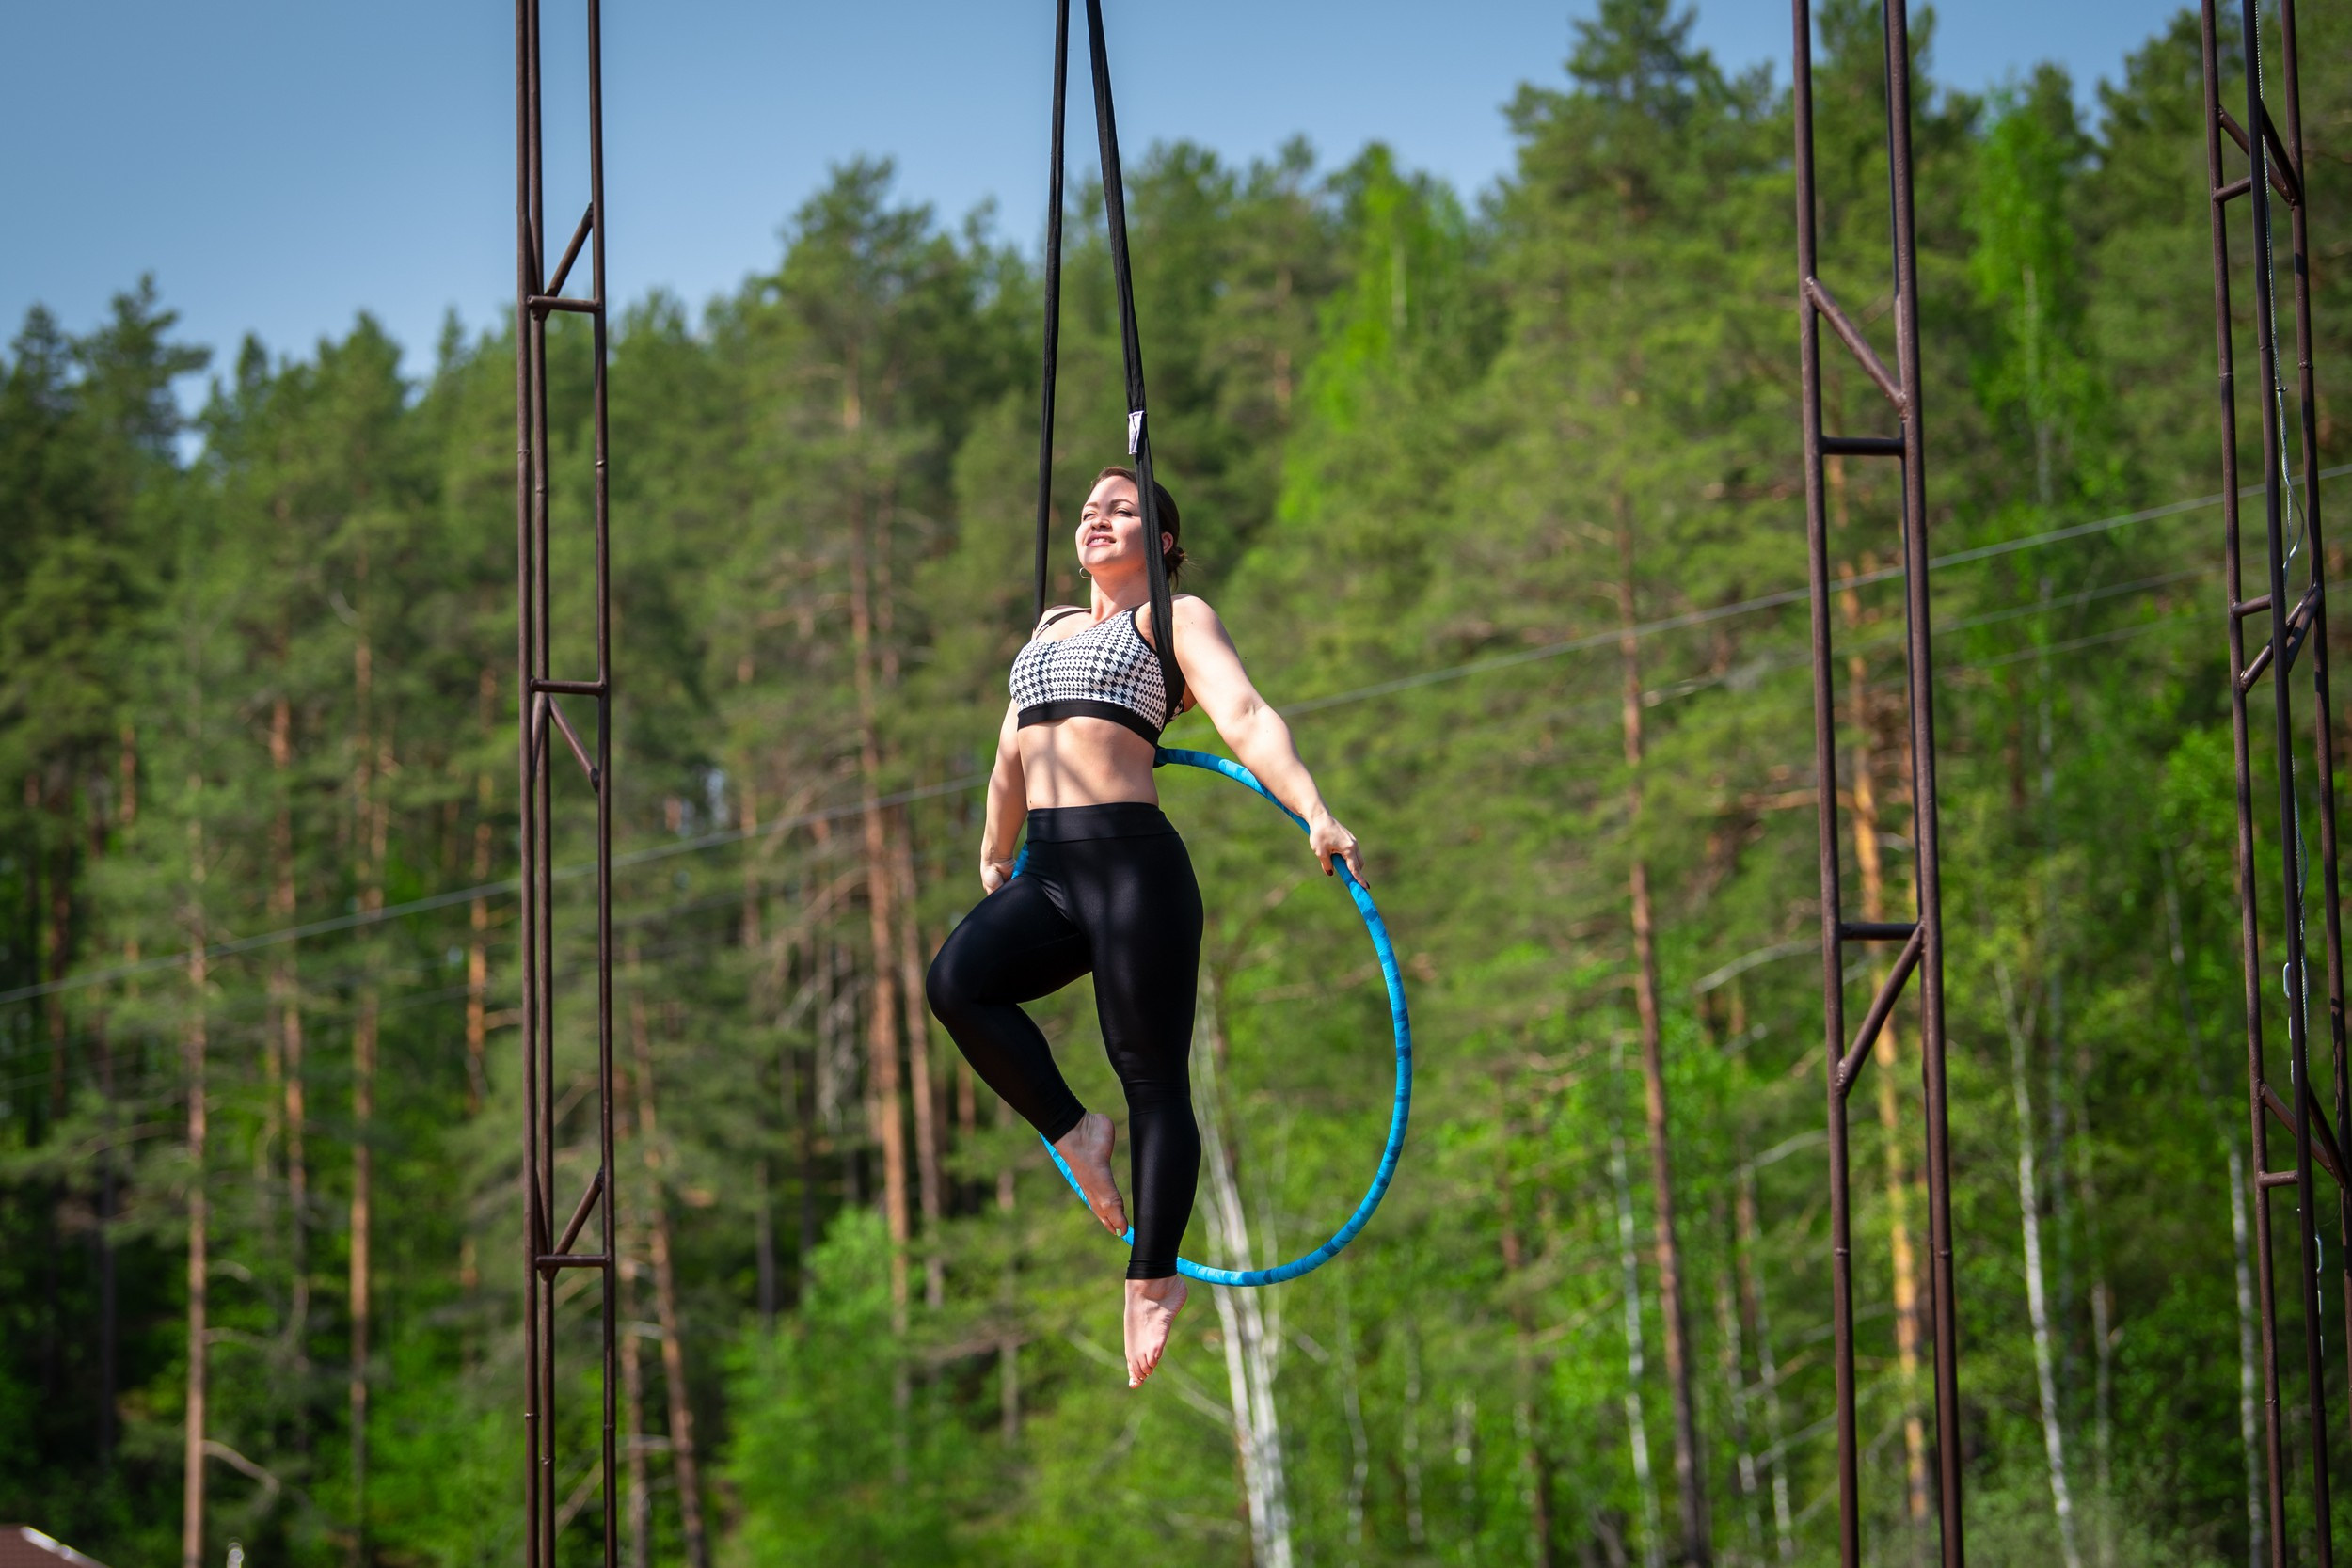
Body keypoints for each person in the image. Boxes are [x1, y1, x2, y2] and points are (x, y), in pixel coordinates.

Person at [926, 465, 1367, 1388]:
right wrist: (990, 846)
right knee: (955, 981)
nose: (1096, 517)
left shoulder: (1173, 618)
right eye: (1089, 508)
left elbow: (1244, 714)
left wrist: (1313, 809)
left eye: (1121, 508)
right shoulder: (1048, 627)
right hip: (1047, 869)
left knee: (1152, 1076)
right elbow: (1013, 748)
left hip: (1134, 869)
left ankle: (1153, 1274)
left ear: (1162, 542)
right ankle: (1074, 1130)